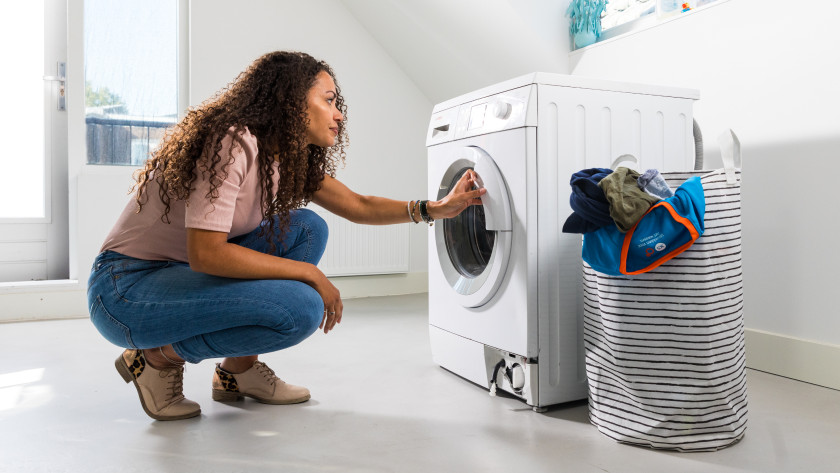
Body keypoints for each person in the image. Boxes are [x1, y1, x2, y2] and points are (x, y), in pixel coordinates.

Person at [87, 51, 485, 421]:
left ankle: (237, 371)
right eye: (328, 100)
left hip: (178, 276)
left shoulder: (281, 156)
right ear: (293, 102)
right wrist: (309, 275)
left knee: (307, 229)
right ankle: (156, 359)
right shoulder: (232, 140)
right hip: (125, 289)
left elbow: (359, 205)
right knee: (300, 311)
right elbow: (206, 254)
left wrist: (434, 209)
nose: (338, 114)